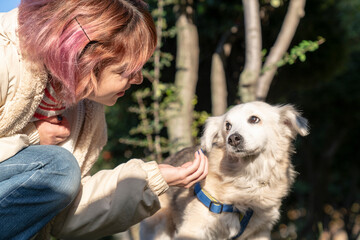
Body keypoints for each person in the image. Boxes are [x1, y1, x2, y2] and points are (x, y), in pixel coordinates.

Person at [0, 0, 208, 239]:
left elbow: (60, 212)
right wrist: (33, 137)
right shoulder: (5, 59)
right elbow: (56, 172)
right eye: (126, 71)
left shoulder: (86, 111)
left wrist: (151, 180)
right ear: (84, 57)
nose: (139, 79)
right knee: (58, 165)